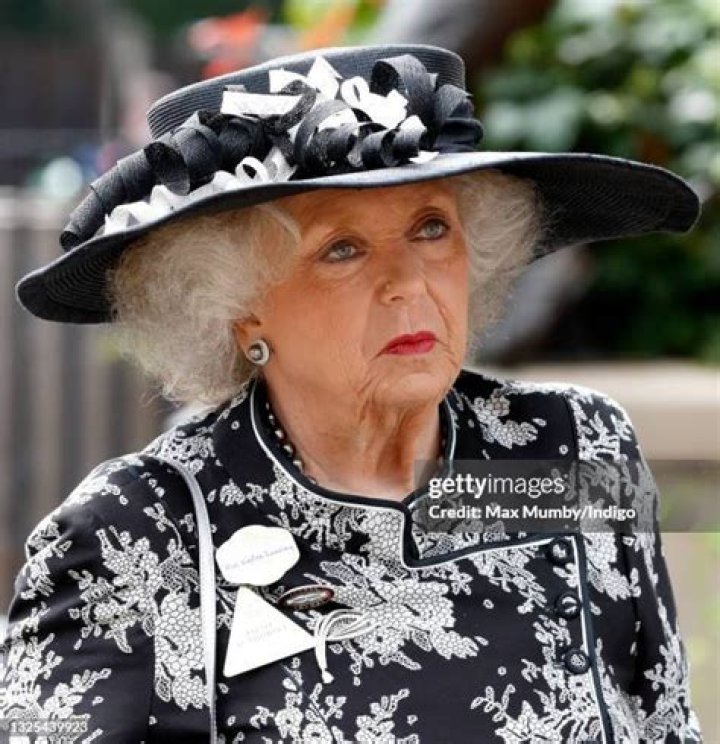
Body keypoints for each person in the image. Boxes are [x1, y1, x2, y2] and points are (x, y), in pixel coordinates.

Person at [1, 44, 702, 743]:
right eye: (342, 248)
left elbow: (664, 719)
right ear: (238, 307)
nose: (408, 283)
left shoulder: (572, 444)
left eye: (431, 227)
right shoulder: (139, 529)